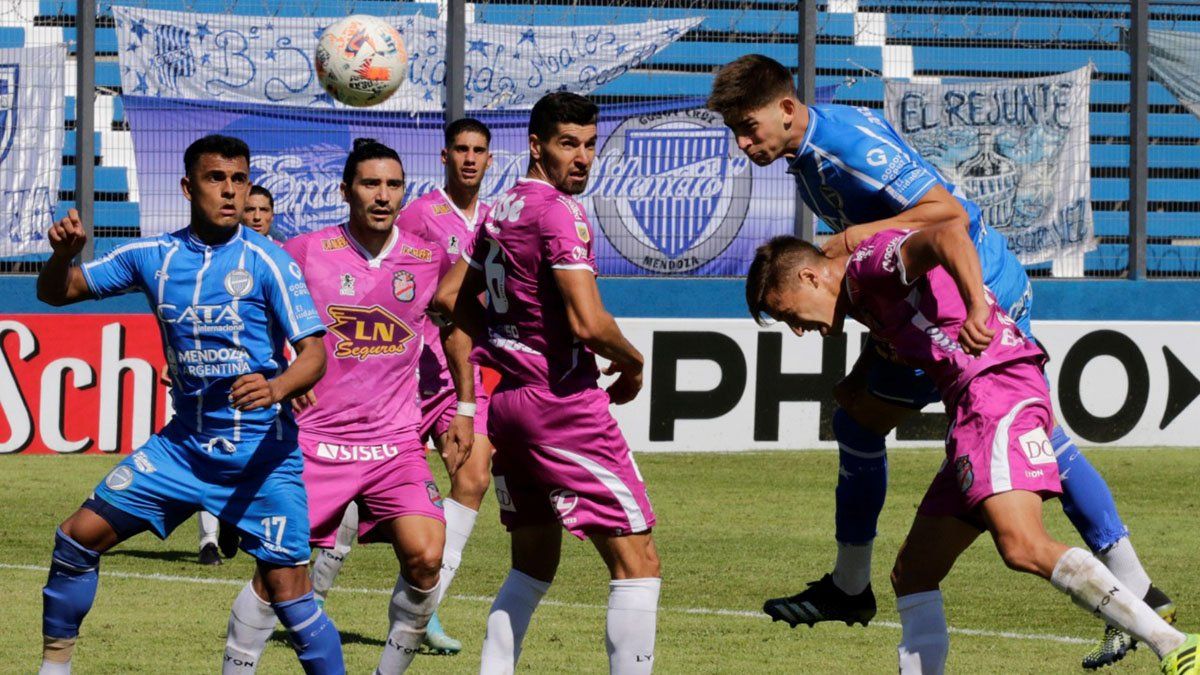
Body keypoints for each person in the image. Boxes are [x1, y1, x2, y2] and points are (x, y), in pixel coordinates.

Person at [707, 54, 1174, 667]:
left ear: (787, 108)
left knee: (1009, 437)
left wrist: (870, 248)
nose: (744, 143)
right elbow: (881, 277)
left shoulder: (842, 144)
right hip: (940, 295)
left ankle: (852, 587)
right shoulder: (805, 162)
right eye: (735, 132)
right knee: (890, 419)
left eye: (749, 126)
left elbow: (950, 217)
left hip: (976, 290)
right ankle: (1140, 591)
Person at [744, 227, 1198, 674]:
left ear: (809, 278)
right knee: (913, 572)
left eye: (787, 314)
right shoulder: (864, 298)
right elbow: (899, 326)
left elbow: (947, 235)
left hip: (993, 392)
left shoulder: (871, 262)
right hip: (975, 407)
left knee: (1022, 545)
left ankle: (1173, 644)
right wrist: (860, 378)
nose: (797, 330)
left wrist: (977, 307)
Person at [35, 134, 343, 674]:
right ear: (187, 186)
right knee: (76, 538)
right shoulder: (153, 257)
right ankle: (53, 667)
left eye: (239, 179)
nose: (230, 191)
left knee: (291, 599)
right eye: (215, 178)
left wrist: (276, 387)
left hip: (261, 459)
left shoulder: (268, 261)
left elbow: (314, 353)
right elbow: (57, 293)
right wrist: (62, 255)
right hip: (183, 450)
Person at [220, 138, 473, 675]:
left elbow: (455, 329)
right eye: (369, 184)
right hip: (314, 444)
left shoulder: (428, 258)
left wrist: (463, 408)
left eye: (393, 185)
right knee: (276, 576)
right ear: (345, 191)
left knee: (428, 555)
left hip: (395, 445)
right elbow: (254, 316)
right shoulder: (307, 251)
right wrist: (282, 373)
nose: (382, 196)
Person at [434, 92, 661, 674]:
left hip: (509, 404)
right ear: (536, 146)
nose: (583, 158)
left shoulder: (501, 206)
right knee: (638, 561)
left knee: (533, 563)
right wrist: (633, 363)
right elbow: (588, 322)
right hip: (562, 405)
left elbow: (447, 301)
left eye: (590, 145)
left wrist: (479, 381)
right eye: (568, 144)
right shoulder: (560, 211)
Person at [309, 117, 498, 656]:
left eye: (478, 150)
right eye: (459, 149)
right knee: (354, 491)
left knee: (475, 472)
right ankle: (313, 594)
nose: (469, 159)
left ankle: (427, 605)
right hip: (399, 376)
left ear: (490, 160)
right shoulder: (417, 215)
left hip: (453, 370)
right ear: (443, 157)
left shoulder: (493, 218)